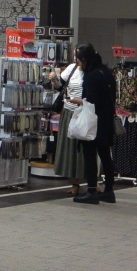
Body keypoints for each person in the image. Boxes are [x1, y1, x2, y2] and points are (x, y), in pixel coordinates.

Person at [67, 43, 116, 204]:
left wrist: (75, 100)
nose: (77, 62)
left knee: (89, 157)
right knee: (105, 155)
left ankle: (91, 191)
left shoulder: (90, 77)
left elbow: (90, 102)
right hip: (107, 120)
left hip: (92, 122)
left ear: (85, 60)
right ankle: (109, 191)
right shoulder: (107, 73)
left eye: (78, 59)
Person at [49, 57, 87, 197]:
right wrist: (54, 80)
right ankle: (75, 183)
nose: (75, 58)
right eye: (75, 55)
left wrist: (80, 102)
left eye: (78, 55)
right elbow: (61, 88)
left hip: (85, 113)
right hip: (68, 111)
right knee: (70, 148)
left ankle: (92, 182)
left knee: (85, 149)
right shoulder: (71, 68)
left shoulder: (91, 71)